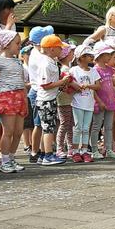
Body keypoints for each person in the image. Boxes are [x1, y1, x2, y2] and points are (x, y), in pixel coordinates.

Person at [0, 30, 27, 173]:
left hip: (20, 96)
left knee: (18, 131)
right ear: (6, 44)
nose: (19, 46)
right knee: (8, 131)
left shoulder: (18, 61)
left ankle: (11, 158)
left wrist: (25, 99)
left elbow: (22, 81)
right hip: (6, 97)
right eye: (17, 43)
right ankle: (4, 161)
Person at [36, 35, 69, 166]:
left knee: (48, 127)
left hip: (50, 98)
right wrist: (62, 81)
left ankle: (44, 154)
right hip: (46, 100)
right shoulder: (45, 63)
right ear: (52, 49)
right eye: (59, 48)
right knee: (48, 128)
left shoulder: (50, 61)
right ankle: (48, 155)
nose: (62, 50)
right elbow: (45, 84)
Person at [26, 25, 54, 163]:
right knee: (39, 124)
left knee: (43, 124)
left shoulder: (38, 54)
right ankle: (35, 152)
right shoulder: (39, 57)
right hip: (38, 92)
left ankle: (42, 151)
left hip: (40, 91)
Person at [69, 45, 101, 163]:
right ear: (81, 57)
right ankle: (75, 151)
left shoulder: (93, 71)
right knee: (78, 127)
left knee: (86, 128)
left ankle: (85, 150)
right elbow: (69, 82)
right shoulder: (74, 70)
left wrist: (88, 85)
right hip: (77, 103)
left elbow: (98, 86)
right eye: (88, 55)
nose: (91, 57)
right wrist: (76, 87)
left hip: (89, 104)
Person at [90, 43, 115, 160]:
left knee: (109, 127)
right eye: (107, 54)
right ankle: (94, 149)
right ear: (100, 55)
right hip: (100, 102)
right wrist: (99, 102)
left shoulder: (110, 69)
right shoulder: (94, 70)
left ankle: (108, 149)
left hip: (110, 101)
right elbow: (93, 89)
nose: (109, 56)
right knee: (96, 126)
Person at [56, 44, 76, 159]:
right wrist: (79, 87)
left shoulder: (67, 68)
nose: (73, 54)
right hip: (64, 100)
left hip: (69, 99)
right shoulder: (65, 69)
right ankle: (60, 148)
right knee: (65, 124)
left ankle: (70, 147)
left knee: (69, 124)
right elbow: (70, 84)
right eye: (71, 52)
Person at [20, 45, 34, 156]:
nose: (30, 56)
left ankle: (33, 143)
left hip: (34, 96)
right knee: (26, 122)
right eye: (28, 54)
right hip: (26, 96)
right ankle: (26, 144)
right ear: (23, 56)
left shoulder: (34, 66)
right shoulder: (22, 68)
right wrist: (31, 84)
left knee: (33, 122)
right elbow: (22, 83)